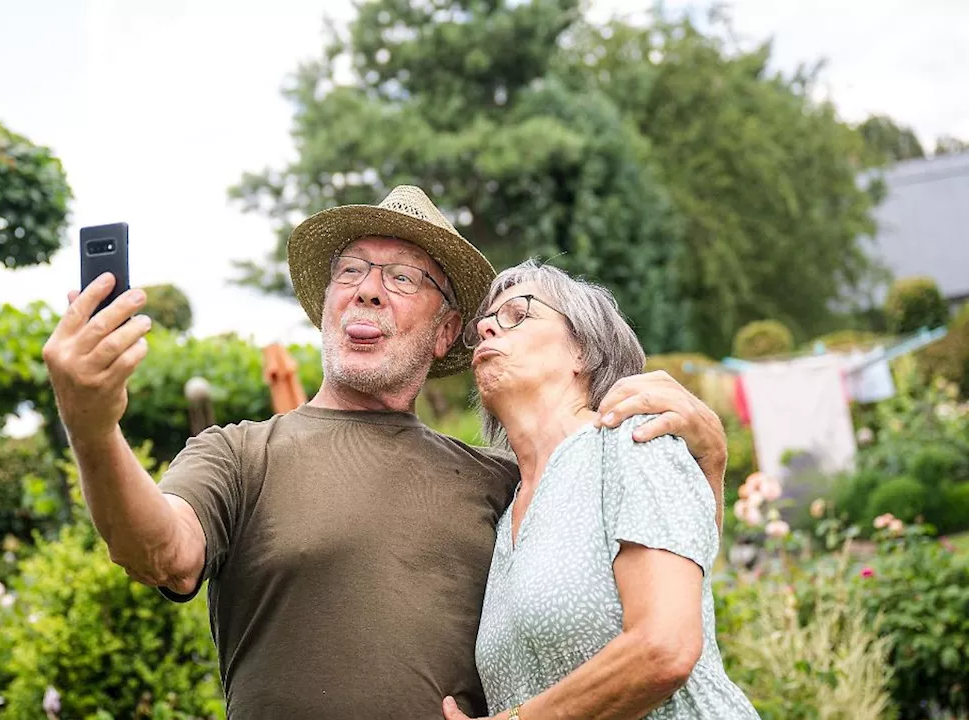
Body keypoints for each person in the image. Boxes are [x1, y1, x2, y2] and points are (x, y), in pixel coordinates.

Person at [42, 186, 729, 719]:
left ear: (446, 333)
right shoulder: (239, 455)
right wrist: (93, 426)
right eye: (352, 271)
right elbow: (157, 549)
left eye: (403, 278)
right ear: (328, 307)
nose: (368, 287)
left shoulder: (511, 483)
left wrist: (709, 461)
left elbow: (660, 588)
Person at [441, 260, 757, 720]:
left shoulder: (633, 440)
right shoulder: (507, 508)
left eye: (516, 313)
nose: (487, 327)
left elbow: (665, 647)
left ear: (583, 351)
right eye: (484, 322)